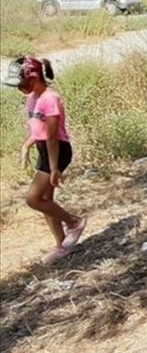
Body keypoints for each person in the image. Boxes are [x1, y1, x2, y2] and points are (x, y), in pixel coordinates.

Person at [3, 56, 86, 264]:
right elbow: (38, 131)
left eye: (22, 84)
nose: (20, 89)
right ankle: (62, 245)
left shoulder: (50, 99)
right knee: (45, 200)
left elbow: (52, 136)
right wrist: (26, 146)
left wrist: (55, 167)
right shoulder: (32, 98)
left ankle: (74, 222)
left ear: (34, 78)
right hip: (45, 149)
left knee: (33, 198)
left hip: (57, 150)